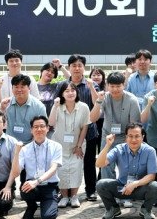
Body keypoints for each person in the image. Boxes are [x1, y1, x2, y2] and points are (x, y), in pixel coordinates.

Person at [96, 125, 157, 219]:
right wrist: (107, 145)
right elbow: (99, 164)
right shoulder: (118, 149)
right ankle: (113, 208)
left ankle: (146, 209)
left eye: (137, 136)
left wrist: (135, 184)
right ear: (126, 137)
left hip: (140, 188)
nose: (133, 139)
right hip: (122, 188)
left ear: (142, 137)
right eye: (130, 136)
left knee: (155, 186)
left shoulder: (150, 151)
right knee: (101, 184)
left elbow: (152, 176)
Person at [58, 54, 100, 201]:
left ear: (84, 68)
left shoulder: (91, 84)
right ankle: (65, 191)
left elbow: (97, 103)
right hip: (67, 132)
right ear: (69, 67)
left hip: (88, 131)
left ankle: (91, 190)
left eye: (79, 65)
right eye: (74, 65)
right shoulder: (62, 85)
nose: (77, 68)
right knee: (65, 162)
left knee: (88, 162)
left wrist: (92, 87)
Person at [90, 72, 141, 181]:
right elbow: (93, 118)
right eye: (112, 86)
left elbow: (134, 125)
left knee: (127, 166)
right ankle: (109, 188)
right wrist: (98, 101)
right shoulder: (104, 97)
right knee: (105, 166)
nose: (115, 89)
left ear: (124, 85)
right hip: (108, 136)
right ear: (107, 85)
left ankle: (126, 188)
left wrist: (129, 141)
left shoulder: (132, 100)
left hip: (126, 136)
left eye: (118, 86)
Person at [49, 81, 90, 208]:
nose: (70, 93)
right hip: (59, 145)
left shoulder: (83, 107)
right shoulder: (57, 106)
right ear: (61, 93)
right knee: (61, 169)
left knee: (76, 169)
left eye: (72, 90)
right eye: (66, 91)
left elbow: (84, 127)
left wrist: (79, 146)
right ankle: (64, 196)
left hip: (77, 145)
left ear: (76, 92)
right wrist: (55, 106)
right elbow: (51, 123)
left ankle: (74, 196)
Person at [15, 115, 62, 219]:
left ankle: (52, 202)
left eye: (42, 126)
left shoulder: (56, 146)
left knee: (48, 218)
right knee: (25, 188)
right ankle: (31, 206)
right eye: (35, 127)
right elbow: (16, 171)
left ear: (47, 128)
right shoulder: (25, 149)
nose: (39, 129)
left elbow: (53, 168)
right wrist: (16, 153)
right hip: (32, 187)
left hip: (49, 186)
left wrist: (37, 181)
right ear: (31, 130)